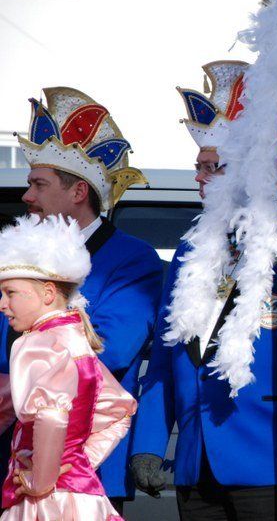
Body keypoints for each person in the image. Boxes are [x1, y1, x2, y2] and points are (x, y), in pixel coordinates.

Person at [129, 61, 277, 521]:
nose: (199, 178)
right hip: (197, 458)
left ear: (245, 170)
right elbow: (167, 356)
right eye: (198, 167)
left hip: (274, 452)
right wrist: (149, 443)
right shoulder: (190, 248)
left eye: (211, 167)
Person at [0, 87, 163, 513]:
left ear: (77, 193)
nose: (27, 196)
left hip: (80, 466)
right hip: (12, 456)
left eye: (38, 184)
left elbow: (110, 348)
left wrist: (16, 384)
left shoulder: (133, 259)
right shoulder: (22, 254)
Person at [0, 214, 137, 521]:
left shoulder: (37, 344)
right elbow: (120, 411)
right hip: (81, 496)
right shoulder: (76, 341)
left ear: (48, 293)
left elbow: (51, 414)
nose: (2, 304)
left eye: (10, 293)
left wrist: (41, 480)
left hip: (46, 503)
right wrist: (78, 461)